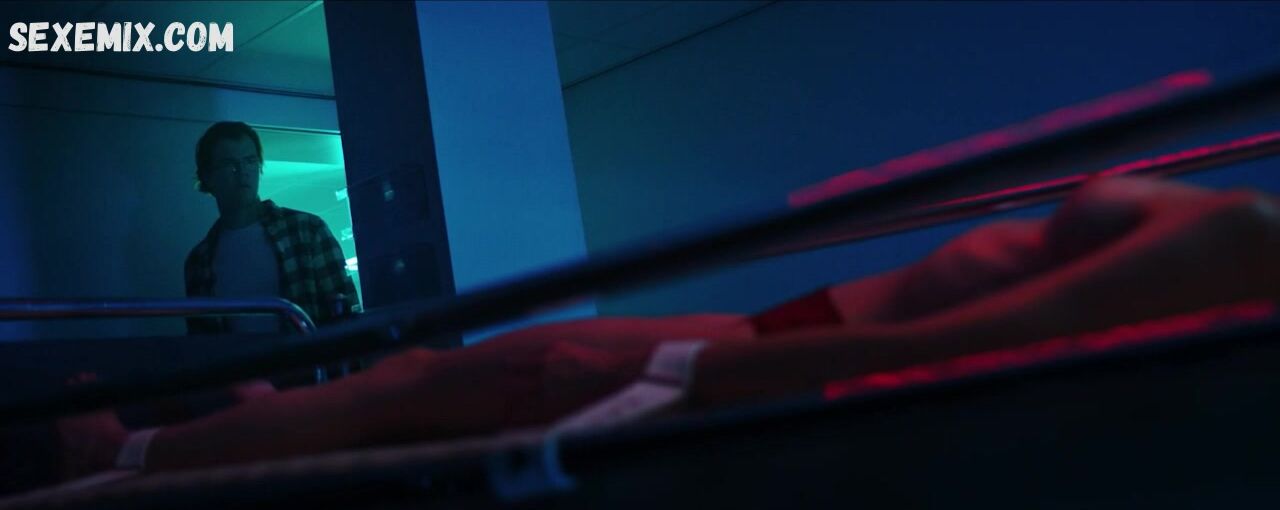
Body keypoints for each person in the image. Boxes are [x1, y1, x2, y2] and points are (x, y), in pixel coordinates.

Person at [32, 177, 1280, 486]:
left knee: (420, 384)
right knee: (424, 377)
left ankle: (125, 455)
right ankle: (239, 428)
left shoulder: (1247, 249)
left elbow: (952, 361)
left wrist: (696, 372)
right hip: (793, 325)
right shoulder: (1248, 232)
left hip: (781, 350)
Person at [185, 121, 359, 335]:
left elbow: (347, 319)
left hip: (308, 357)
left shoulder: (308, 231)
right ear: (208, 177)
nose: (243, 172)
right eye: (230, 164)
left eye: (250, 161)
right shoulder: (199, 262)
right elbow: (203, 339)